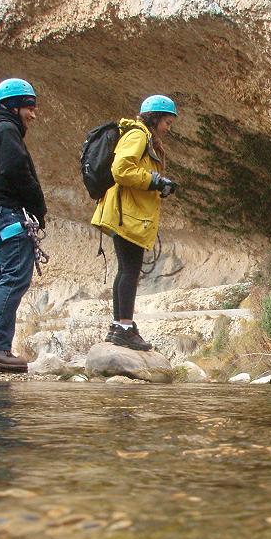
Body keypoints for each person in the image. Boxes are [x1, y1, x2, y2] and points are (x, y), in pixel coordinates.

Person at [91, 95, 178, 351]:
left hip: (126, 211)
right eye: (167, 122)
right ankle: (125, 327)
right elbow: (122, 170)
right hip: (127, 213)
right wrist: (155, 181)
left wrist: (158, 183)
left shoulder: (138, 134)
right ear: (155, 117)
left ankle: (119, 325)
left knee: (125, 269)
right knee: (130, 269)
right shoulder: (138, 134)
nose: (167, 128)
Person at [0, 78, 47, 374]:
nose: (33, 114)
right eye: (29, 107)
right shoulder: (6, 131)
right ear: (13, 107)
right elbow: (18, 172)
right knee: (14, 277)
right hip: (7, 217)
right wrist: (39, 208)